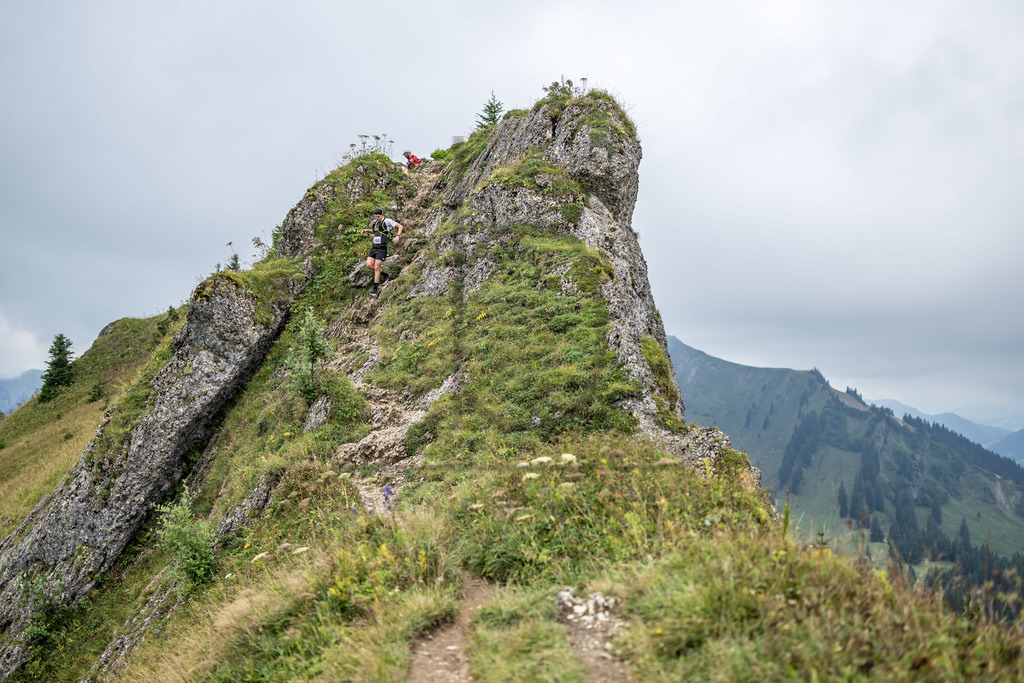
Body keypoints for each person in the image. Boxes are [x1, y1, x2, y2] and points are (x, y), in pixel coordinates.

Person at [360, 208, 403, 295]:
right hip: (374, 247)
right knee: (369, 265)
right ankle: (385, 274)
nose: (377, 218)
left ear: (382, 215)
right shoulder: (375, 223)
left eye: (378, 216)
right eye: (375, 216)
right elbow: (374, 231)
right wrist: (366, 230)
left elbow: (400, 226)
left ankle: (375, 288)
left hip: (382, 248)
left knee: (376, 267)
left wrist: (397, 236)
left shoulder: (387, 221)